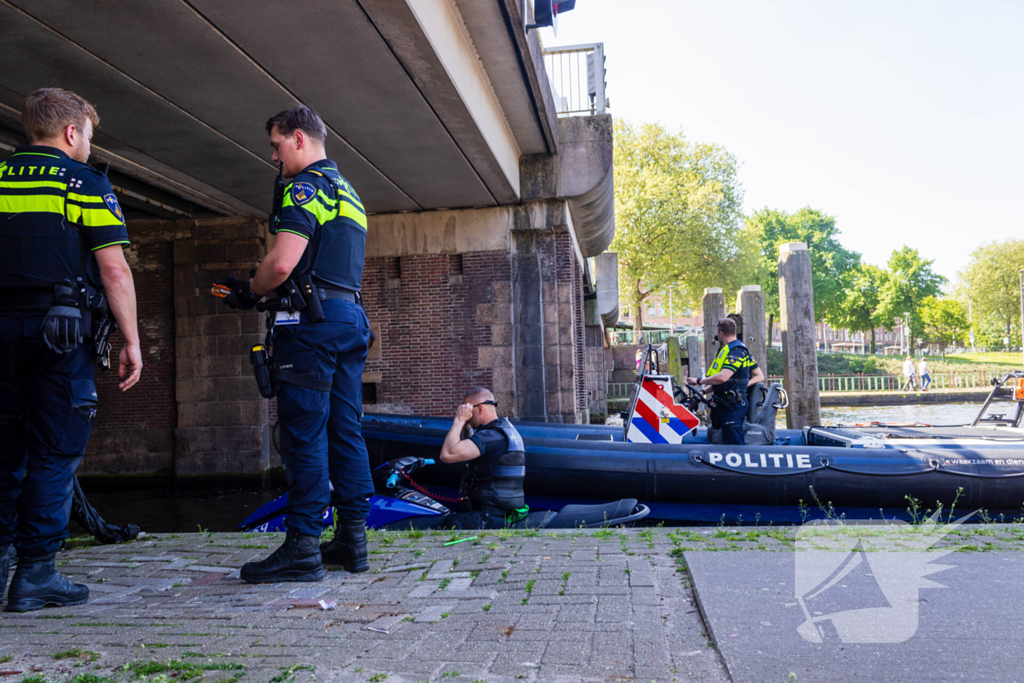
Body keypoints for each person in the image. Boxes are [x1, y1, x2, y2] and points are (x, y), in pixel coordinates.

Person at [0, 88, 142, 612]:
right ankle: (35, 574)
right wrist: (131, 339)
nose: (88, 144)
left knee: (3, 452)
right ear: (70, 132)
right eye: (88, 134)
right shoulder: (83, 182)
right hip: (59, 337)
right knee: (55, 452)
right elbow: (113, 269)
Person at [217, 105, 373, 583]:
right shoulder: (349, 192)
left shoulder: (305, 187)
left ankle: (303, 547)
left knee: (303, 433)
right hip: (348, 318)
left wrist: (249, 291)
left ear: (299, 138)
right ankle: (352, 540)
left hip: (311, 327)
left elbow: (283, 263)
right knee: (345, 430)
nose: (273, 156)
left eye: (277, 145)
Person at [438, 388, 528, 529]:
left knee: (437, 524)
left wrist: (459, 420)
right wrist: (467, 427)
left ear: (480, 409)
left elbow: (447, 454)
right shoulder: (507, 431)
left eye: (468, 408)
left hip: (488, 517)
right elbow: (469, 450)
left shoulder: (491, 436)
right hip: (503, 514)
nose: (466, 413)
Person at [686, 318, 759, 445]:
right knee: (722, 439)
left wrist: (698, 381)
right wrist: (703, 392)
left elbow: (723, 377)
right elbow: (724, 382)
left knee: (734, 443)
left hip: (733, 406)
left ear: (720, 333)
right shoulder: (727, 351)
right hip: (723, 403)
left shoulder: (736, 352)